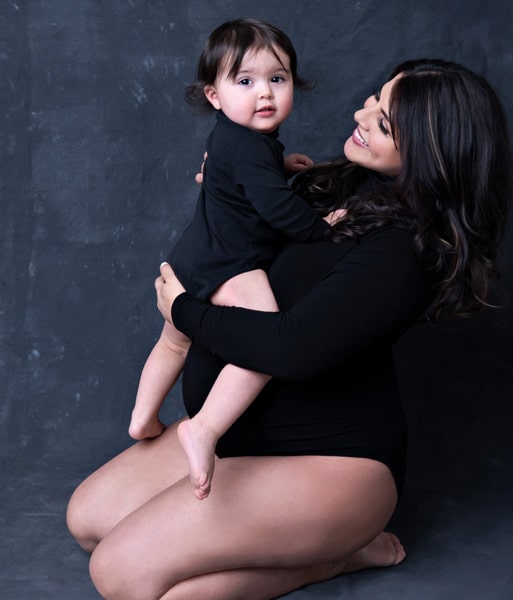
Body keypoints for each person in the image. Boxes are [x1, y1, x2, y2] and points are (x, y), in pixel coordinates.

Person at [67, 58, 512, 599]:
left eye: (385, 122)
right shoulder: (341, 189)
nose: (361, 113)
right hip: (246, 437)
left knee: (122, 575)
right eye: (374, 99)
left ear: (433, 153)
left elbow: (293, 346)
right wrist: (232, 183)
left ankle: (327, 559)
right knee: (87, 520)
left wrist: (183, 312)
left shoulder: (404, 252)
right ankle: (312, 549)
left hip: (335, 467)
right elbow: (239, 242)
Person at [128, 19, 337, 500]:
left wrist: (279, 165)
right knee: (267, 340)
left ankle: (142, 418)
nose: (264, 93)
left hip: (194, 255)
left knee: (173, 345)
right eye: (245, 81)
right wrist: (323, 229)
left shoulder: (238, 137)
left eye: (277, 79)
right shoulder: (248, 147)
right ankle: (204, 428)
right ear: (214, 96)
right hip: (230, 261)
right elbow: (278, 209)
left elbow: (236, 171)